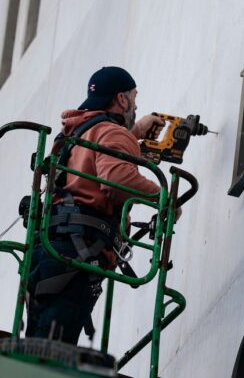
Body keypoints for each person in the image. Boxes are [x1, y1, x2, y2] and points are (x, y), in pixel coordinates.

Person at [26, 66, 165, 344]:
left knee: (38, 341)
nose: (136, 104)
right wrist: (165, 199)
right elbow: (116, 179)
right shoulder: (113, 134)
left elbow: (99, 152)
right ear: (122, 99)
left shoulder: (72, 137)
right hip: (79, 251)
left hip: (48, 249)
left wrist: (135, 132)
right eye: (134, 97)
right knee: (51, 351)